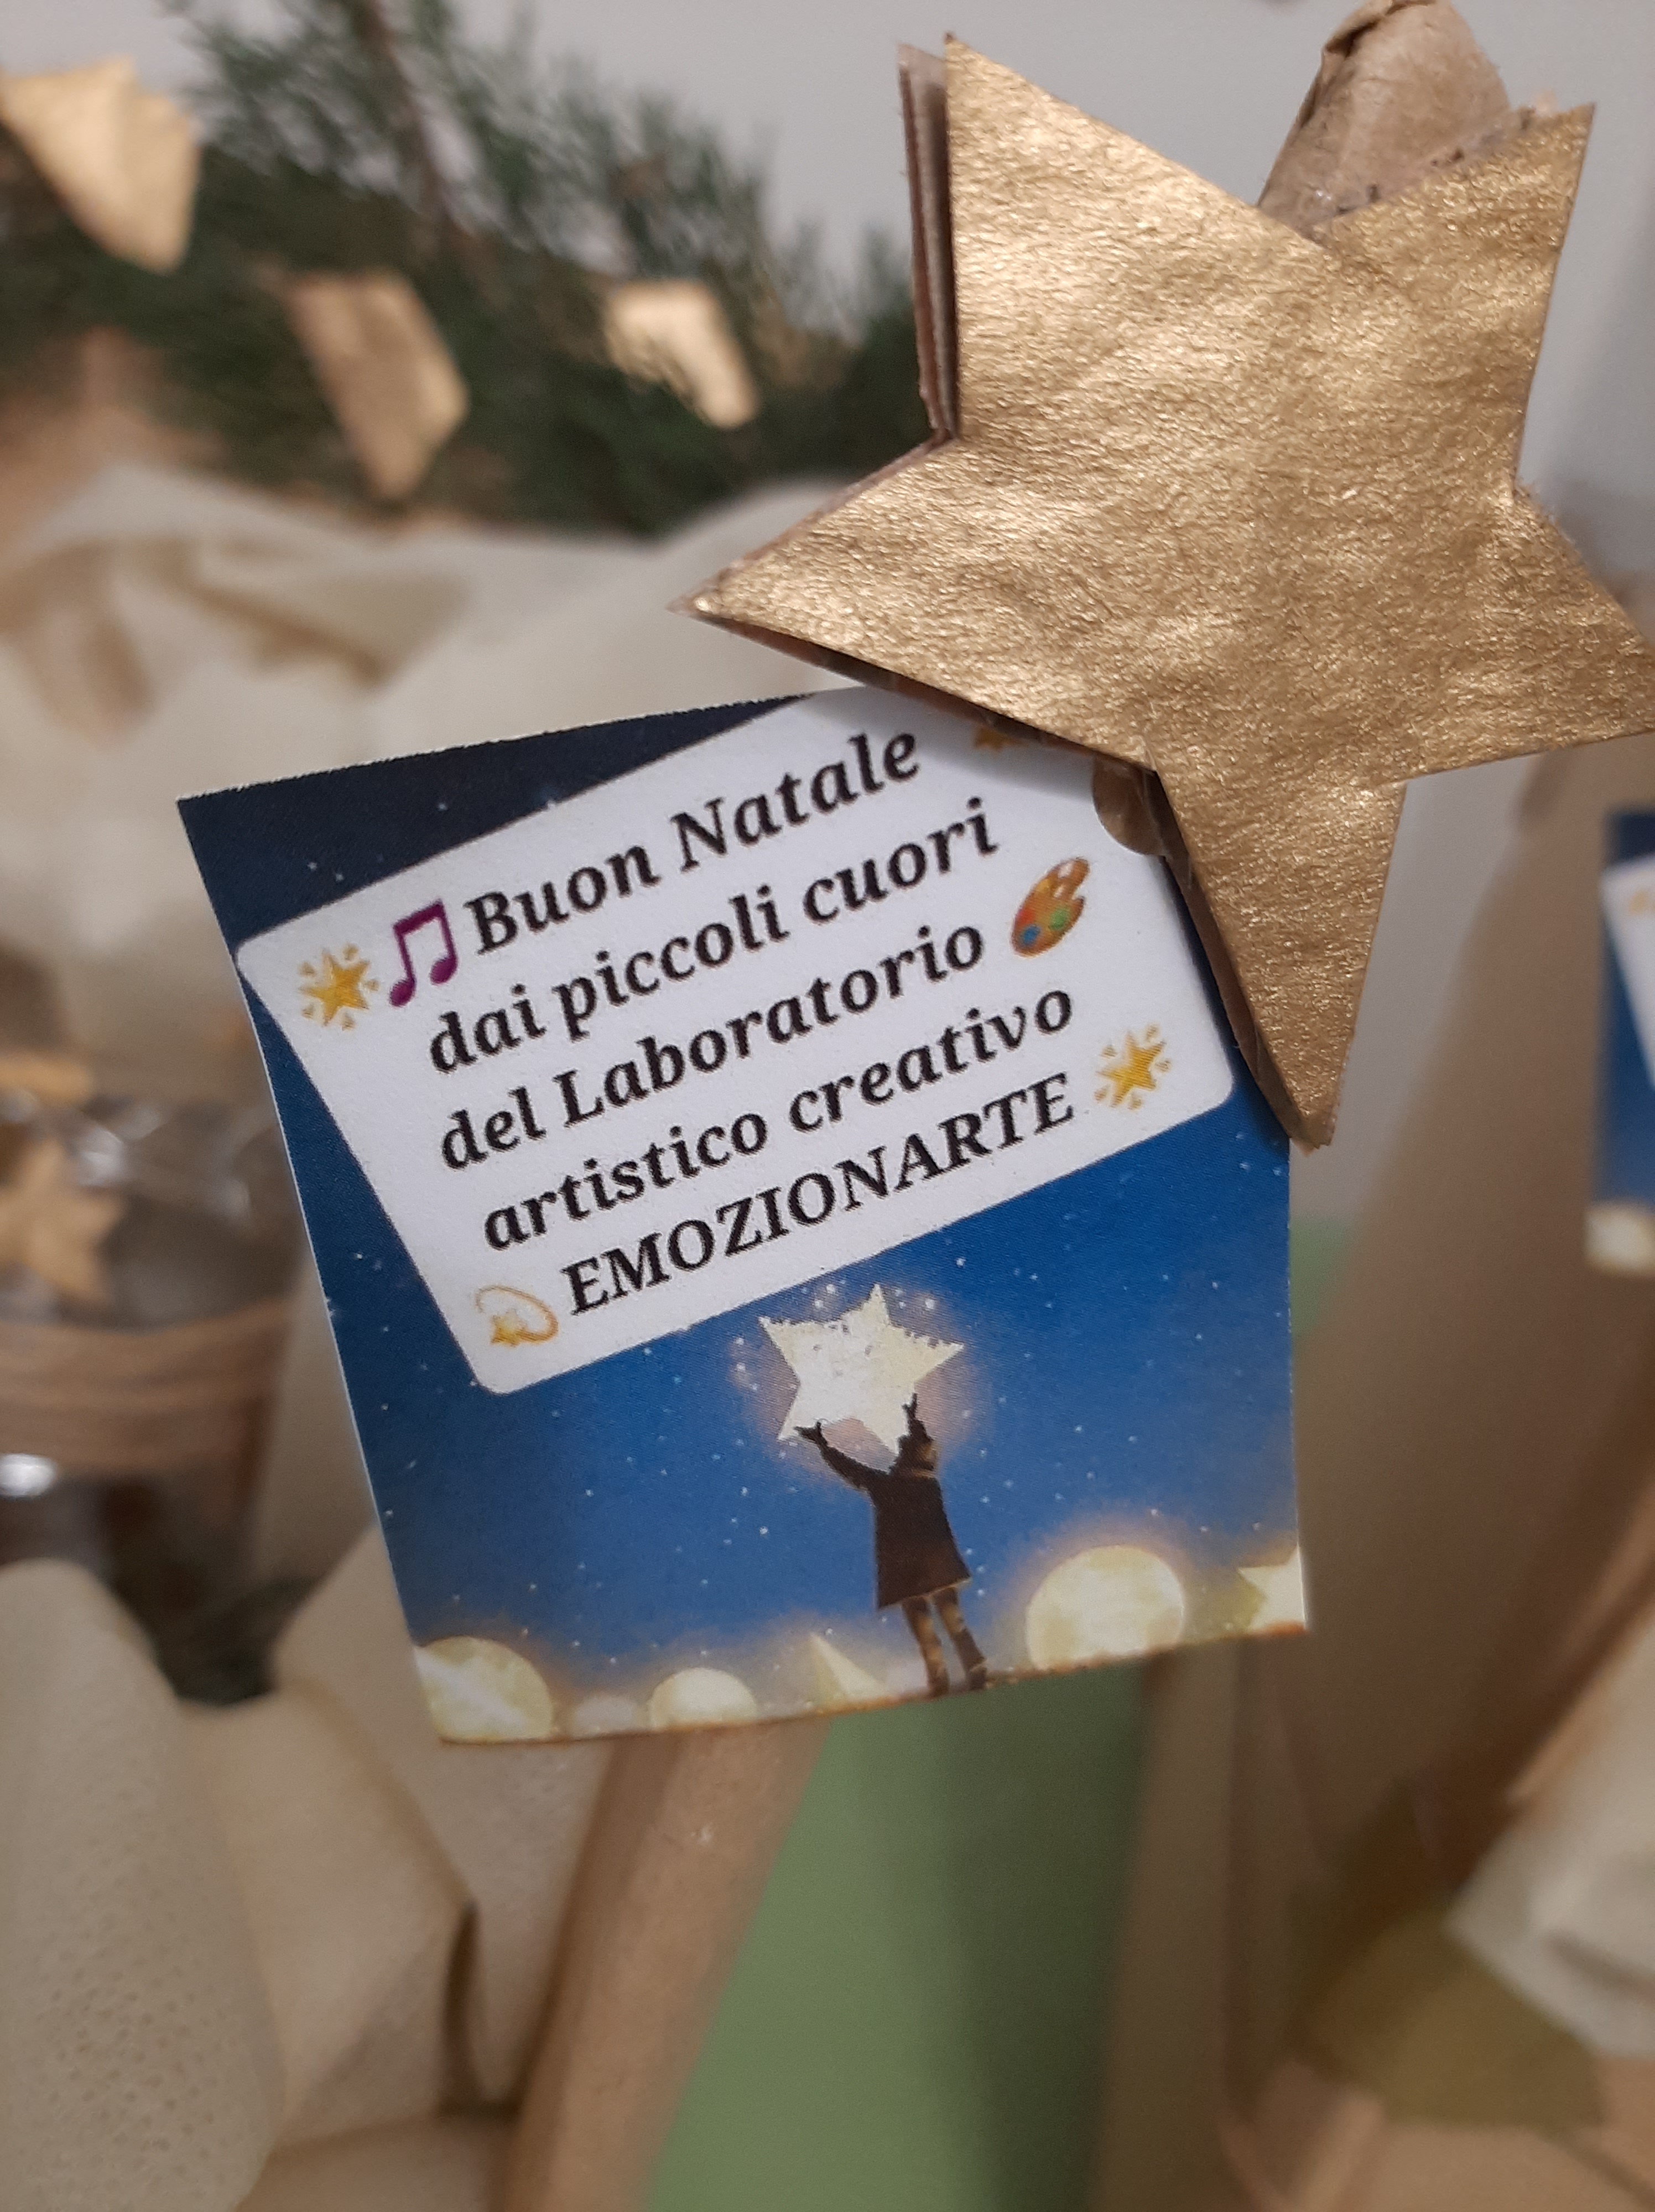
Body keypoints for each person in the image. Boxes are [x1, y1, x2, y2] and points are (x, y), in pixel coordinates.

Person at [797, 1395, 987, 1694]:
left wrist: (823, 1446)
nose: (895, 1459)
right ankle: (975, 1670)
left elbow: (852, 1470)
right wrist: (913, 1421)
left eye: (900, 1455)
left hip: (907, 1573)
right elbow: (919, 1445)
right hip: (937, 1568)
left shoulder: (890, 1487)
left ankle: (941, 1681)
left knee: (926, 1633)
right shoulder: (926, 1484)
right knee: (954, 1624)